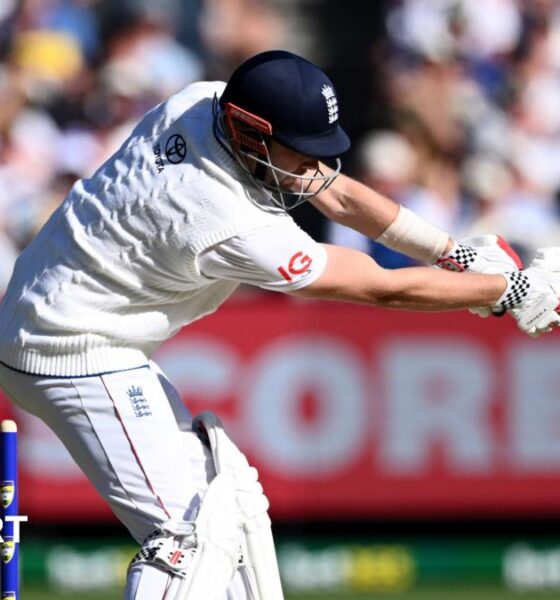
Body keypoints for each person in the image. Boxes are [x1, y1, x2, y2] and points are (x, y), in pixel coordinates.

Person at [0, 50, 559, 600]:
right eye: (297, 152)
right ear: (248, 132)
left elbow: (333, 191)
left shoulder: (199, 102)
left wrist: (454, 255)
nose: (311, 166)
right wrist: (507, 290)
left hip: (70, 322)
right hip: (68, 350)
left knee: (234, 503)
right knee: (189, 537)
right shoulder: (223, 220)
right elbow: (375, 283)